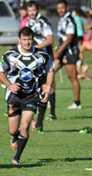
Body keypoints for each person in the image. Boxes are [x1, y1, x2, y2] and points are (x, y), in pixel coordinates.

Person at [0, 27, 53, 166]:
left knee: (24, 127)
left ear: (33, 39)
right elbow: (1, 73)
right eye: (24, 39)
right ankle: (13, 137)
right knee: (13, 130)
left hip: (32, 96)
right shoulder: (9, 55)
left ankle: (16, 158)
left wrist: (47, 86)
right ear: (19, 40)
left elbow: (50, 70)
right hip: (14, 96)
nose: (27, 42)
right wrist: (9, 85)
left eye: (29, 39)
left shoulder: (42, 56)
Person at [26, 1, 56, 133]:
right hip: (33, 60)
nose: (31, 12)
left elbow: (50, 39)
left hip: (43, 59)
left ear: (37, 10)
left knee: (45, 89)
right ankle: (34, 120)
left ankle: (39, 122)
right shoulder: (29, 22)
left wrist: (37, 47)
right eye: (29, 10)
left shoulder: (42, 22)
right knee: (32, 87)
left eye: (33, 10)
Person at [54, 0, 81, 109]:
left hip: (69, 52)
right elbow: (61, 37)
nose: (60, 10)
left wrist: (59, 51)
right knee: (50, 72)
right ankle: (49, 98)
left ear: (67, 7)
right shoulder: (62, 19)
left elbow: (69, 38)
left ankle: (77, 103)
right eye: (58, 8)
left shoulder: (69, 20)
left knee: (72, 77)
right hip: (62, 52)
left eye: (62, 8)